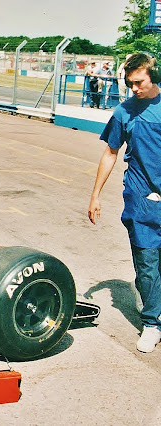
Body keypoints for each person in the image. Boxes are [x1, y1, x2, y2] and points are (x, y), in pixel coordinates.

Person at [87, 52, 161, 353]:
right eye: (130, 83)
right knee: (147, 261)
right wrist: (95, 195)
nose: (134, 89)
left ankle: (149, 298)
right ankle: (152, 324)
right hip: (140, 197)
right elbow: (110, 153)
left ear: (154, 76)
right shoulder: (124, 112)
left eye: (139, 82)